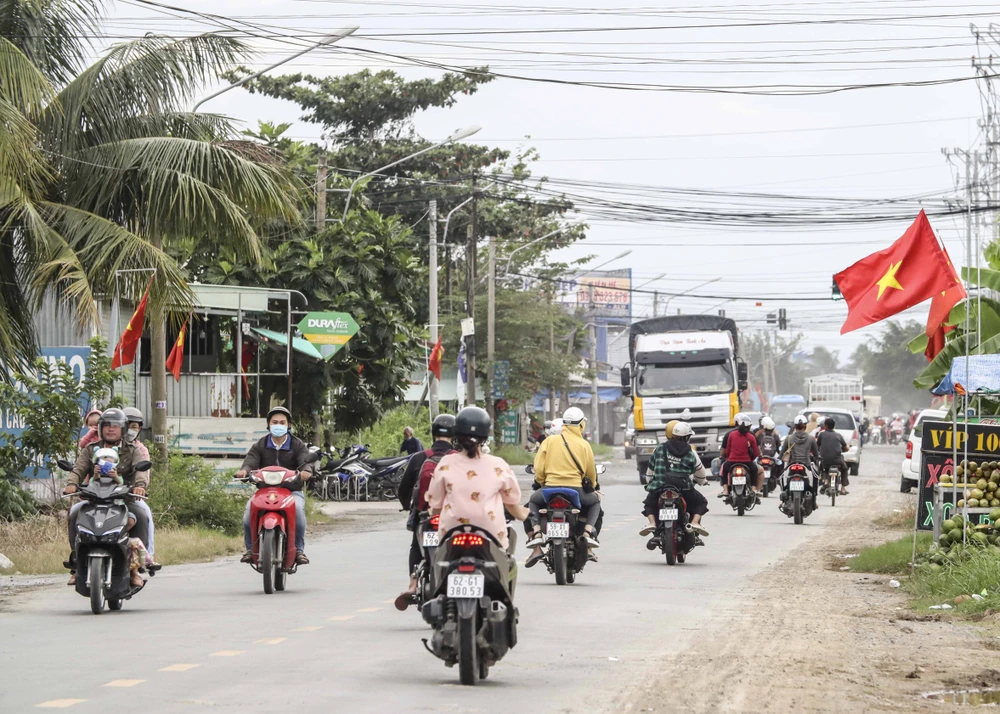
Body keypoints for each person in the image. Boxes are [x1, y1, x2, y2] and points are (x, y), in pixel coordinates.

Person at [64, 408, 150, 588]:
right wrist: (72, 483)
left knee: (141, 517)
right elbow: (78, 469)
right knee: (74, 514)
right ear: (101, 428)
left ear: (123, 429)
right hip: (93, 499)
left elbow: (141, 470)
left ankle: (135, 569)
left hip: (123, 500)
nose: (111, 429)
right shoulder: (90, 449)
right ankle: (76, 566)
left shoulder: (133, 450)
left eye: (116, 426)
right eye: (107, 426)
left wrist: (140, 487)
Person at [425, 406, 529, 556]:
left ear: (457, 434)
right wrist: (524, 515)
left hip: (452, 532)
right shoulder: (498, 464)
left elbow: (435, 503)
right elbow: (512, 503)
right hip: (490, 533)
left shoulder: (445, 463)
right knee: (506, 560)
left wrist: (432, 513)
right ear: (485, 436)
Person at [235, 406, 316, 566]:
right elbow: (251, 461)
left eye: (282, 422)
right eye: (274, 422)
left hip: (291, 491)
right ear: (268, 424)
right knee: (247, 515)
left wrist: (306, 471)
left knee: (298, 512)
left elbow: (306, 461)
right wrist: (244, 471)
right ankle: (251, 550)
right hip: (265, 491)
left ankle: (299, 550)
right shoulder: (260, 445)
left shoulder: (297, 445)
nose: (278, 425)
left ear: (288, 425)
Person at [524, 407, 601, 569]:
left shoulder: (549, 441)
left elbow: (539, 469)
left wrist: (544, 481)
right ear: (581, 425)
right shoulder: (584, 445)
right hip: (576, 491)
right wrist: (592, 487)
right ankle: (587, 535)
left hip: (549, 489)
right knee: (595, 503)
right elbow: (590, 472)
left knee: (533, 500)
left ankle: (537, 533)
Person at [395, 413, 456, 610]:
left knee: (416, 545)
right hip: (454, 516)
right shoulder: (460, 460)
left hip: (425, 515)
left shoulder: (419, 458)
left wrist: (408, 505)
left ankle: (413, 586)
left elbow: (403, 489)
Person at [638, 421, 710, 548]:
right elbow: (700, 471)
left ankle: (652, 523)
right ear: (687, 437)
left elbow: (650, 470)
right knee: (701, 502)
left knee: (649, 503)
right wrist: (702, 480)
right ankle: (694, 523)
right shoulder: (691, 452)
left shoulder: (659, 448)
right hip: (683, 487)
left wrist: (651, 482)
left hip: (660, 486)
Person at [122, 407, 160, 571]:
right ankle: (77, 562)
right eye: (128, 425)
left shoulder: (140, 450)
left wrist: (139, 487)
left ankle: (147, 556)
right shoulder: (105, 445)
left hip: (128, 494)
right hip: (102, 494)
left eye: (135, 427)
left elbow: (143, 474)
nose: (131, 430)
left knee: (144, 514)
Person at [781, 415, 820, 508]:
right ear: (805, 425)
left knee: (782, 478)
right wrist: (817, 460)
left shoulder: (789, 438)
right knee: (815, 478)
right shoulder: (811, 439)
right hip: (806, 465)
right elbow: (816, 454)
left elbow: (782, 453)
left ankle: (783, 499)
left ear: (795, 426)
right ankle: (814, 501)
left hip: (792, 465)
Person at [719, 413, 761, 499]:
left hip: (731, 461)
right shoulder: (751, 437)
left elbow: (727, 450)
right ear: (749, 427)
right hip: (747, 461)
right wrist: (750, 459)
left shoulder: (731, 435)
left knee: (724, 470)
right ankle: (753, 489)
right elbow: (756, 453)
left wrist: (730, 457)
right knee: (754, 470)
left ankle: (726, 490)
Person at [816, 417, 850, 495]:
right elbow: (846, 448)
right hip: (837, 460)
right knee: (844, 469)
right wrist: (847, 447)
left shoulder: (821, 434)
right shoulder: (838, 435)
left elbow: (817, 446)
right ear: (834, 426)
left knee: (823, 468)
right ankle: (843, 488)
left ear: (825, 426)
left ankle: (825, 481)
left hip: (825, 460)